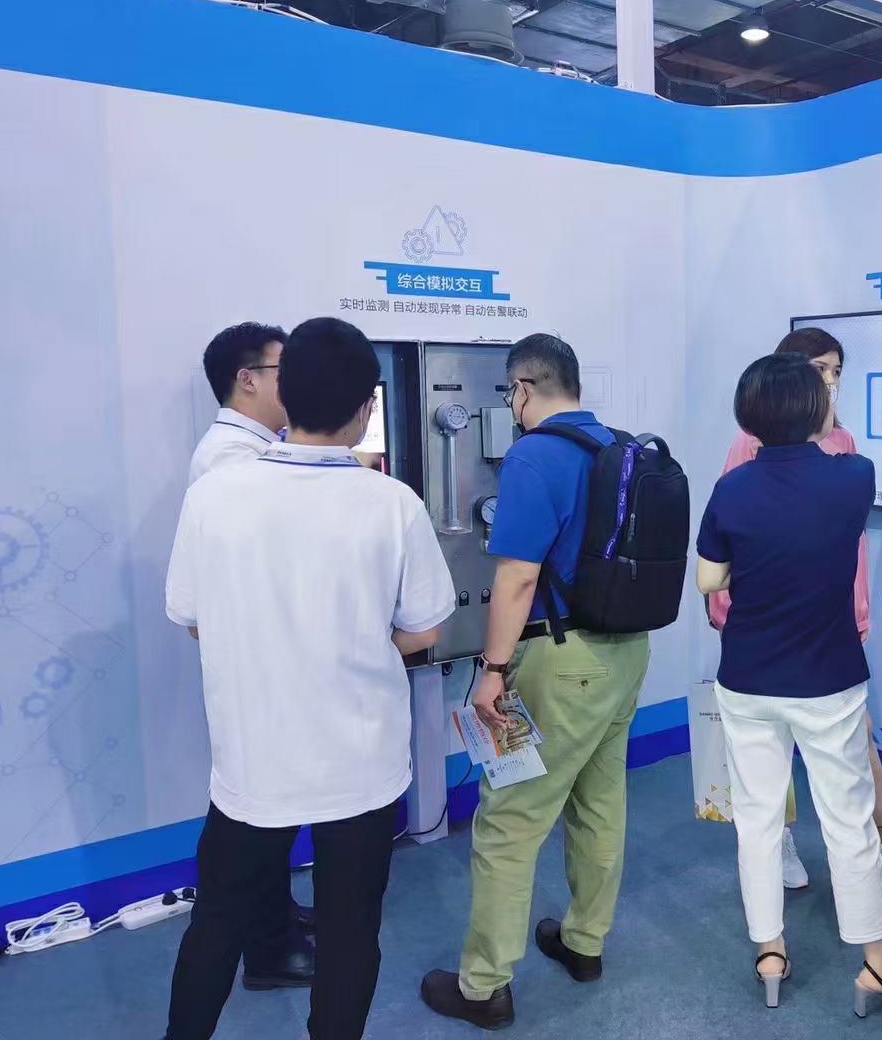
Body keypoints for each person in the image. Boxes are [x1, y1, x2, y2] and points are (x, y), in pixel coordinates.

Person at [164, 317, 455, 1040]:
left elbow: (194, 619)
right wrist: (354, 642)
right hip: (359, 764)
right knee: (351, 932)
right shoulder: (392, 503)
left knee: (216, 925)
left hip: (252, 761)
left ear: (285, 394)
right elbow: (424, 630)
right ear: (366, 407)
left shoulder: (214, 495)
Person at [421, 334, 652, 1031]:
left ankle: (484, 986)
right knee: (600, 802)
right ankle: (584, 943)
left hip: (559, 659)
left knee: (510, 822)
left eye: (509, 395)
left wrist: (492, 672)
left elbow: (518, 577)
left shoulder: (534, 455)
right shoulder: (624, 448)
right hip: (626, 652)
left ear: (522, 389)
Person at [696, 352, 882, 1017]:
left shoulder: (732, 489)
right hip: (828, 677)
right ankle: (879, 964)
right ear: (813, 408)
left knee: (758, 819)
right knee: (848, 821)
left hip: (747, 676)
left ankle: (770, 951)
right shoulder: (854, 475)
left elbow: (709, 580)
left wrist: (750, 568)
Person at [188, 322, 317, 991]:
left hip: (272, 671)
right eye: (282, 368)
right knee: (256, 819)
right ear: (246, 379)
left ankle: (279, 922)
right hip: (262, 674)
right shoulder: (230, 464)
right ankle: (269, 951)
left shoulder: (258, 451)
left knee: (273, 810)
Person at [189, 323, 289, 485]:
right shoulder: (229, 454)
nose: (296, 380)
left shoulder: (252, 443)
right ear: (247, 381)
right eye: (285, 370)